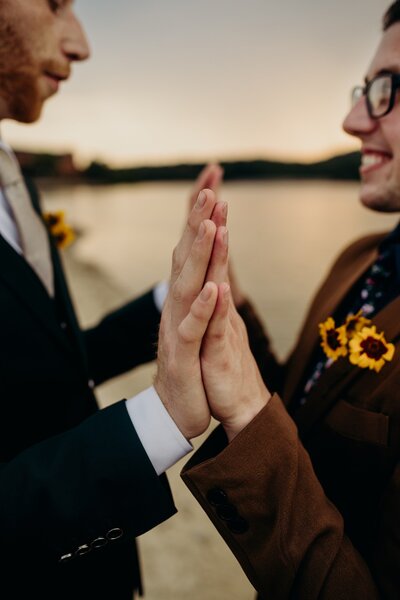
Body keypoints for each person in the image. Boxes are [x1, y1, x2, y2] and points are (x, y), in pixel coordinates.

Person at [0, 1, 228, 598]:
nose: (80, 43)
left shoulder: (13, 177)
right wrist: (159, 421)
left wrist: (175, 292)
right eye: (53, 4)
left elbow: (54, 362)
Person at [176, 1, 400, 597]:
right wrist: (230, 296)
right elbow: (301, 406)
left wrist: (247, 415)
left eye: (387, 90)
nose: (353, 120)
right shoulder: (361, 259)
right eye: (364, 89)